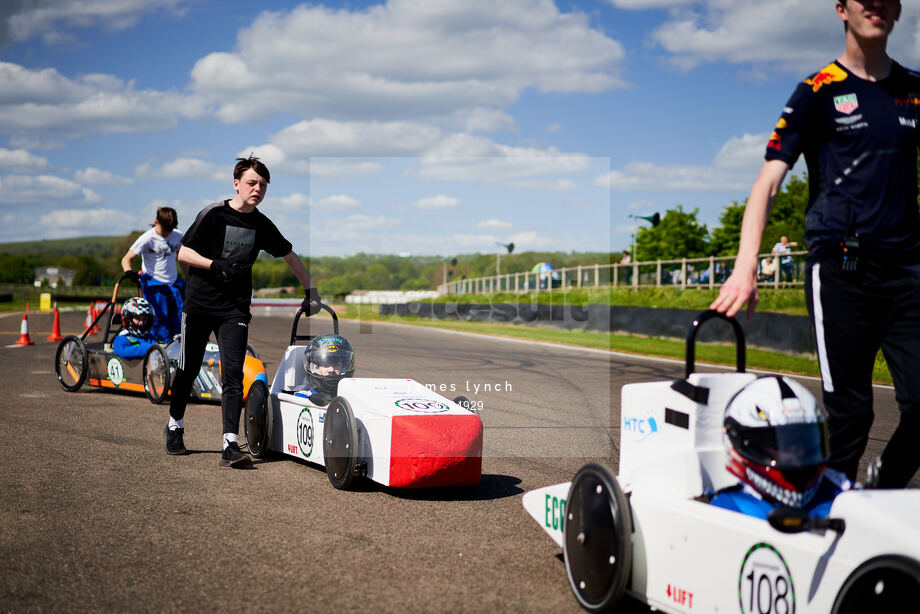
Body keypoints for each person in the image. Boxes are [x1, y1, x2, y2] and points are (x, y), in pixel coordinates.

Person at [711, 0, 920, 488]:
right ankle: (827, 515)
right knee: (851, 413)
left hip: (908, 270)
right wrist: (747, 267)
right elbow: (766, 184)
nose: (876, 5)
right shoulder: (816, 93)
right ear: (842, 9)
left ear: (899, 11)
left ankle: (878, 487)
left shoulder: (913, 90)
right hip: (842, 269)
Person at [164, 155, 322, 468]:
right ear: (236, 184)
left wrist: (310, 290)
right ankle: (174, 426)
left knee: (233, 373)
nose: (257, 188)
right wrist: (213, 265)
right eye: (251, 182)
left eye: (263, 184)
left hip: (234, 308)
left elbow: (289, 254)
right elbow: (182, 251)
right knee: (189, 368)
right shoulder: (213, 214)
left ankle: (229, 444)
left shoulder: (261, 224)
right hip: (199, 304)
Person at [711, 375, 848, 518]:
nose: (795, 454)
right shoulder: (729, 507)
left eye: (801, 440)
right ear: (742, 444)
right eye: (780, 444)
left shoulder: (838, 490)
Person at [121, 206, 188, 339]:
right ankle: (162, 349)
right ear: (156, 222)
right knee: (159, 319)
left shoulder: (178, 236)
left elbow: (182, 258)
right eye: (165, 229)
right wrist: (129, 272)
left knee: (180, 318)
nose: (167, 233)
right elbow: (126, 259)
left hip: (173, 284)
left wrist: (188, 277)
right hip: (153, 285)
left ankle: (180, 350)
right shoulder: (147, 238)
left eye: (170, 230)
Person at [292, 334, 356, 406]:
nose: (331, 370)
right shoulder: (302, 397)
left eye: (336, 365)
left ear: (344, 367)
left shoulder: (353, 397)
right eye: (326, 365)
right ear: (315, 368)